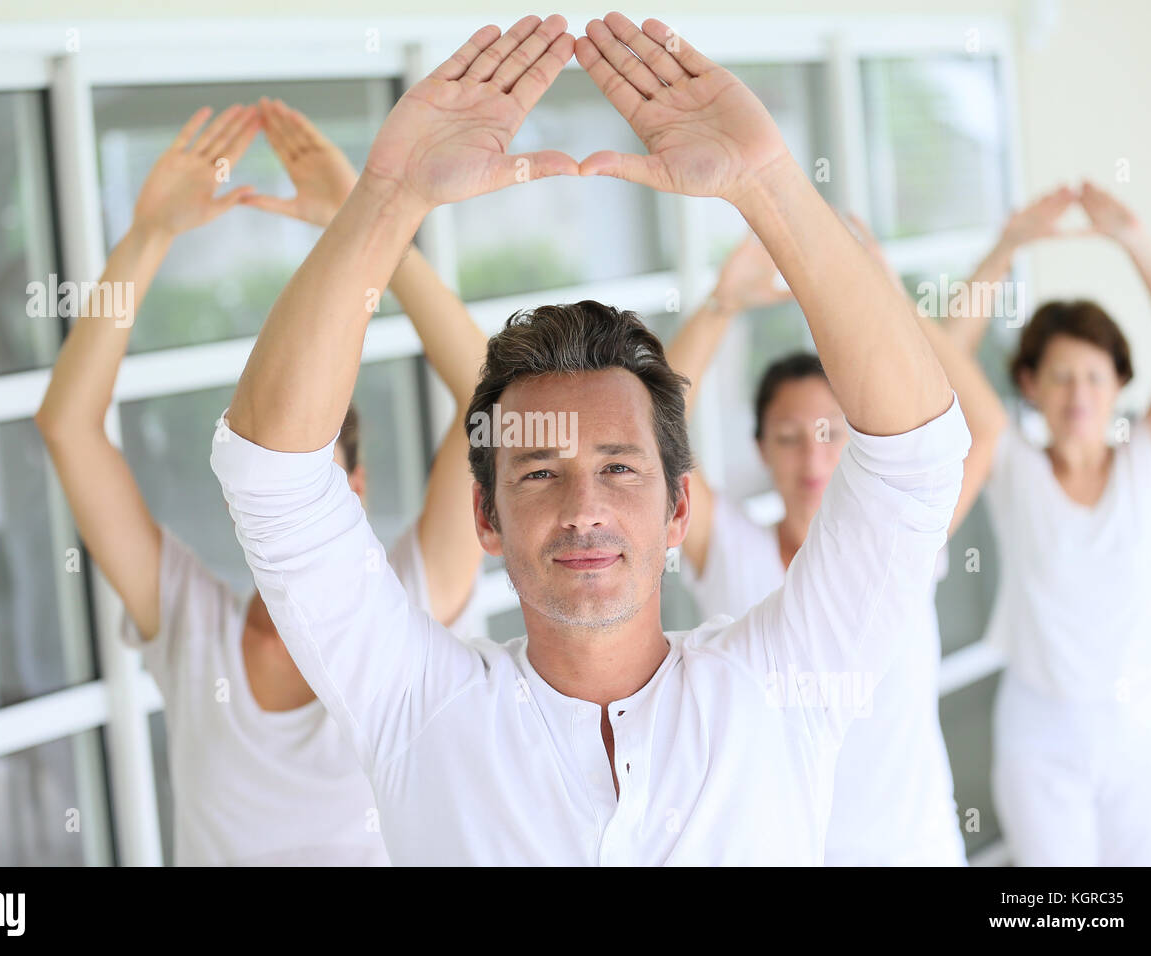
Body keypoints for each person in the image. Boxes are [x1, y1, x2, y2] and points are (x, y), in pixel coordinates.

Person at [211, 12, 971, 865]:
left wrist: (769, 184)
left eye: (619, 466)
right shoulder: (417, 705)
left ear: (679, 506)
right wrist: (388, 199)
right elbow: (272, 475)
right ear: (485, 517)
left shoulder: (777, 687)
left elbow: (914, 459)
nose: (585, 507)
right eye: (538, 473)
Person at [35, 100, 487, 865]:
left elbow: (493, 403)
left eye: (313, 477)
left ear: (357, 487)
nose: (290, 499)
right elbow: (68, 427)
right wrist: (151, 235)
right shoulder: (190, 626)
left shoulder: (411, 599)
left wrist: (367, 229)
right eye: (274, 481)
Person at [667, 218, 1008, 865]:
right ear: (761, 449)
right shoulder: (730, 549)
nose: (812, 457)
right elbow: (658, 437)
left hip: (918, 849)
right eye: (789, 436)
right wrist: (721, 305)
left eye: (831, 432)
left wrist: (884, 293)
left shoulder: (900, 542)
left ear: (860, 439)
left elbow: (982, 424)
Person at [944, 181, 1151, 865]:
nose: (1078, 394)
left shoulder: (1147, 465)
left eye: (1094, 377)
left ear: (1119, 384)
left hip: (1145, 728)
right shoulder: (1012, 462)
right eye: (1061, 376)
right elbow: (944, 356)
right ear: (1030, 385)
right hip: (1040, 732)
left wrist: (1132, 239)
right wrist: (1008, 246)